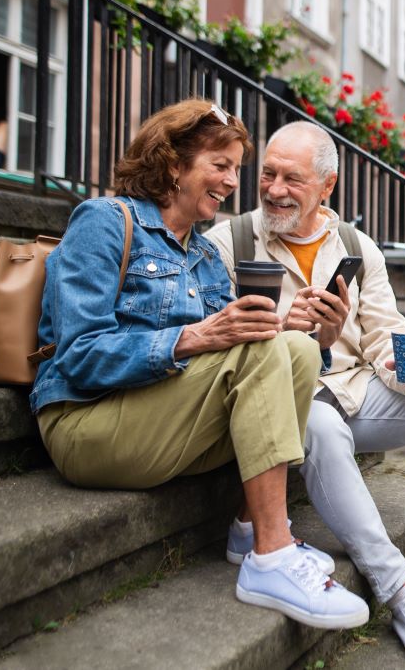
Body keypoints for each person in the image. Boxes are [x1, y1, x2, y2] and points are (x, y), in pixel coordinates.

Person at [31, 100, 368, 630]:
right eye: (221, 165)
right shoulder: (103, 223)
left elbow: (238, 360)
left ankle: (247, 525)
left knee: (297, 348)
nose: (234, 181)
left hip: (160, 418)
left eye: (237, 168)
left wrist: (305, 328)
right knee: (264, 348)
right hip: (87, 422)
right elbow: (79, 357)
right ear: (172, 164)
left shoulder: (207, 255)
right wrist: (194, 337)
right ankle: (272, 556)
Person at [205, 120, 405, 668]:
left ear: (326, 186)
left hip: (354, 392)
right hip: (286, 405)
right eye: (269, 174)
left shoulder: (355, 246)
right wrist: (290, 328)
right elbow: (217, 345)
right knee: (321, 424)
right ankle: (399, 592)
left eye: (293, 178)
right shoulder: (226, 242)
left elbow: (383, 336)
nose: (275, 188)